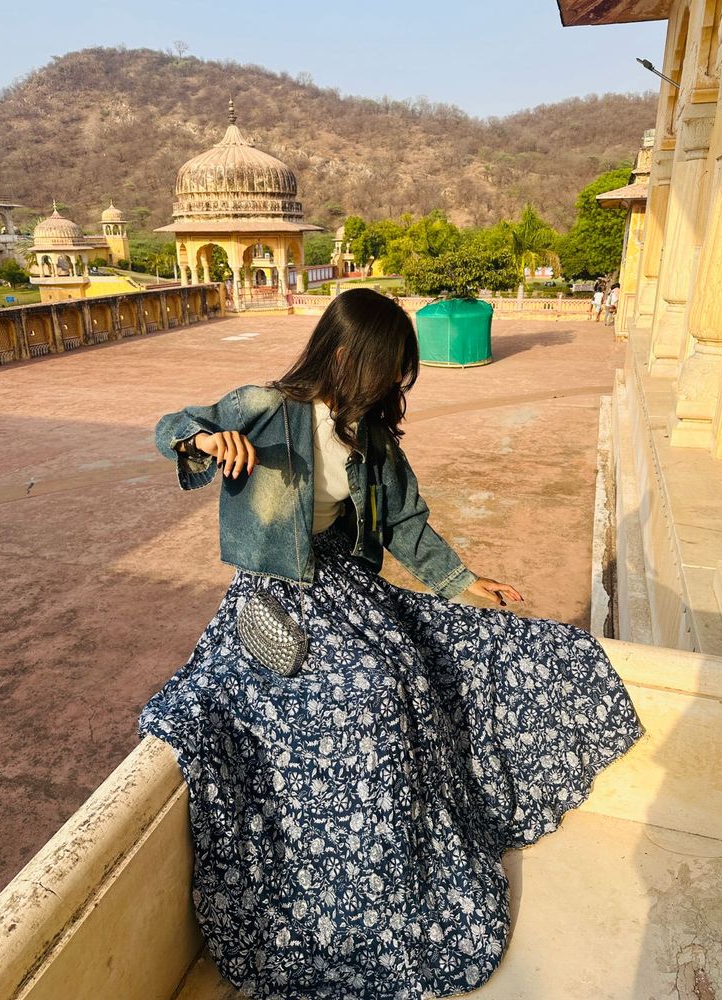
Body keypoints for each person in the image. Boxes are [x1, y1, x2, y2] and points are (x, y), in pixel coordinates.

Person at [139, 288, 643, 1000]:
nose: (392, 387)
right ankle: (350, 896)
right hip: (273, 602)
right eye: (387, 371)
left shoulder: (366, 434)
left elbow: (405, 524)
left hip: (345, 588)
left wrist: (466, 582)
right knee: (369, 693)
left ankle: (421, 854)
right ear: (345, 355)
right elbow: (171, 428)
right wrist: (204, 439)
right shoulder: (262, 406)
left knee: (467, 651)